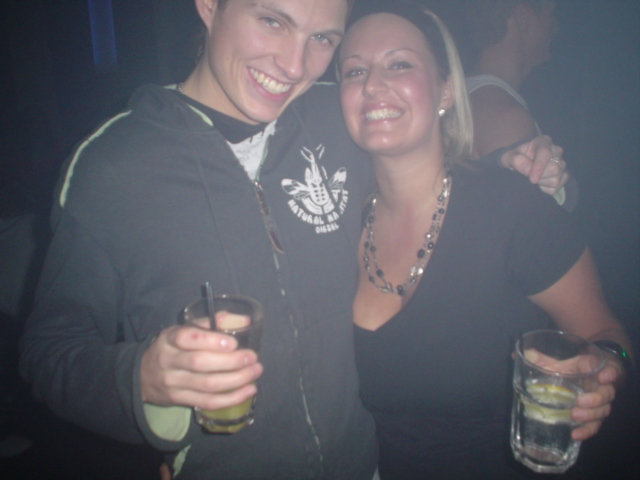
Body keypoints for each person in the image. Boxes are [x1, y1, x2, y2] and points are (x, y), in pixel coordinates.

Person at [20, 0, 569, 478]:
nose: (293, 64)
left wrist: (513, 164)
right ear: (209, 4)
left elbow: (418, 163)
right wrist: (140, 377)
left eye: (323, 38)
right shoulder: (111, 168)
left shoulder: (338, 115)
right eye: (273, 21)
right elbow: (50, 351)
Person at [337, 1, 634, 479]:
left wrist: (603, 371)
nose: (372, 84)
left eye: (399, 64)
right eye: (355, 71)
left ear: (446, 90)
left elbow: (607, 335)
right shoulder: (334, 221)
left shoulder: (510, 208)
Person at [462, 0, 578, 210]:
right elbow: (510, 223)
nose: (555, 26)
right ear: (523, 16)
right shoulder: (506, 118)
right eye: (550, 14)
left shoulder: (467, 95)